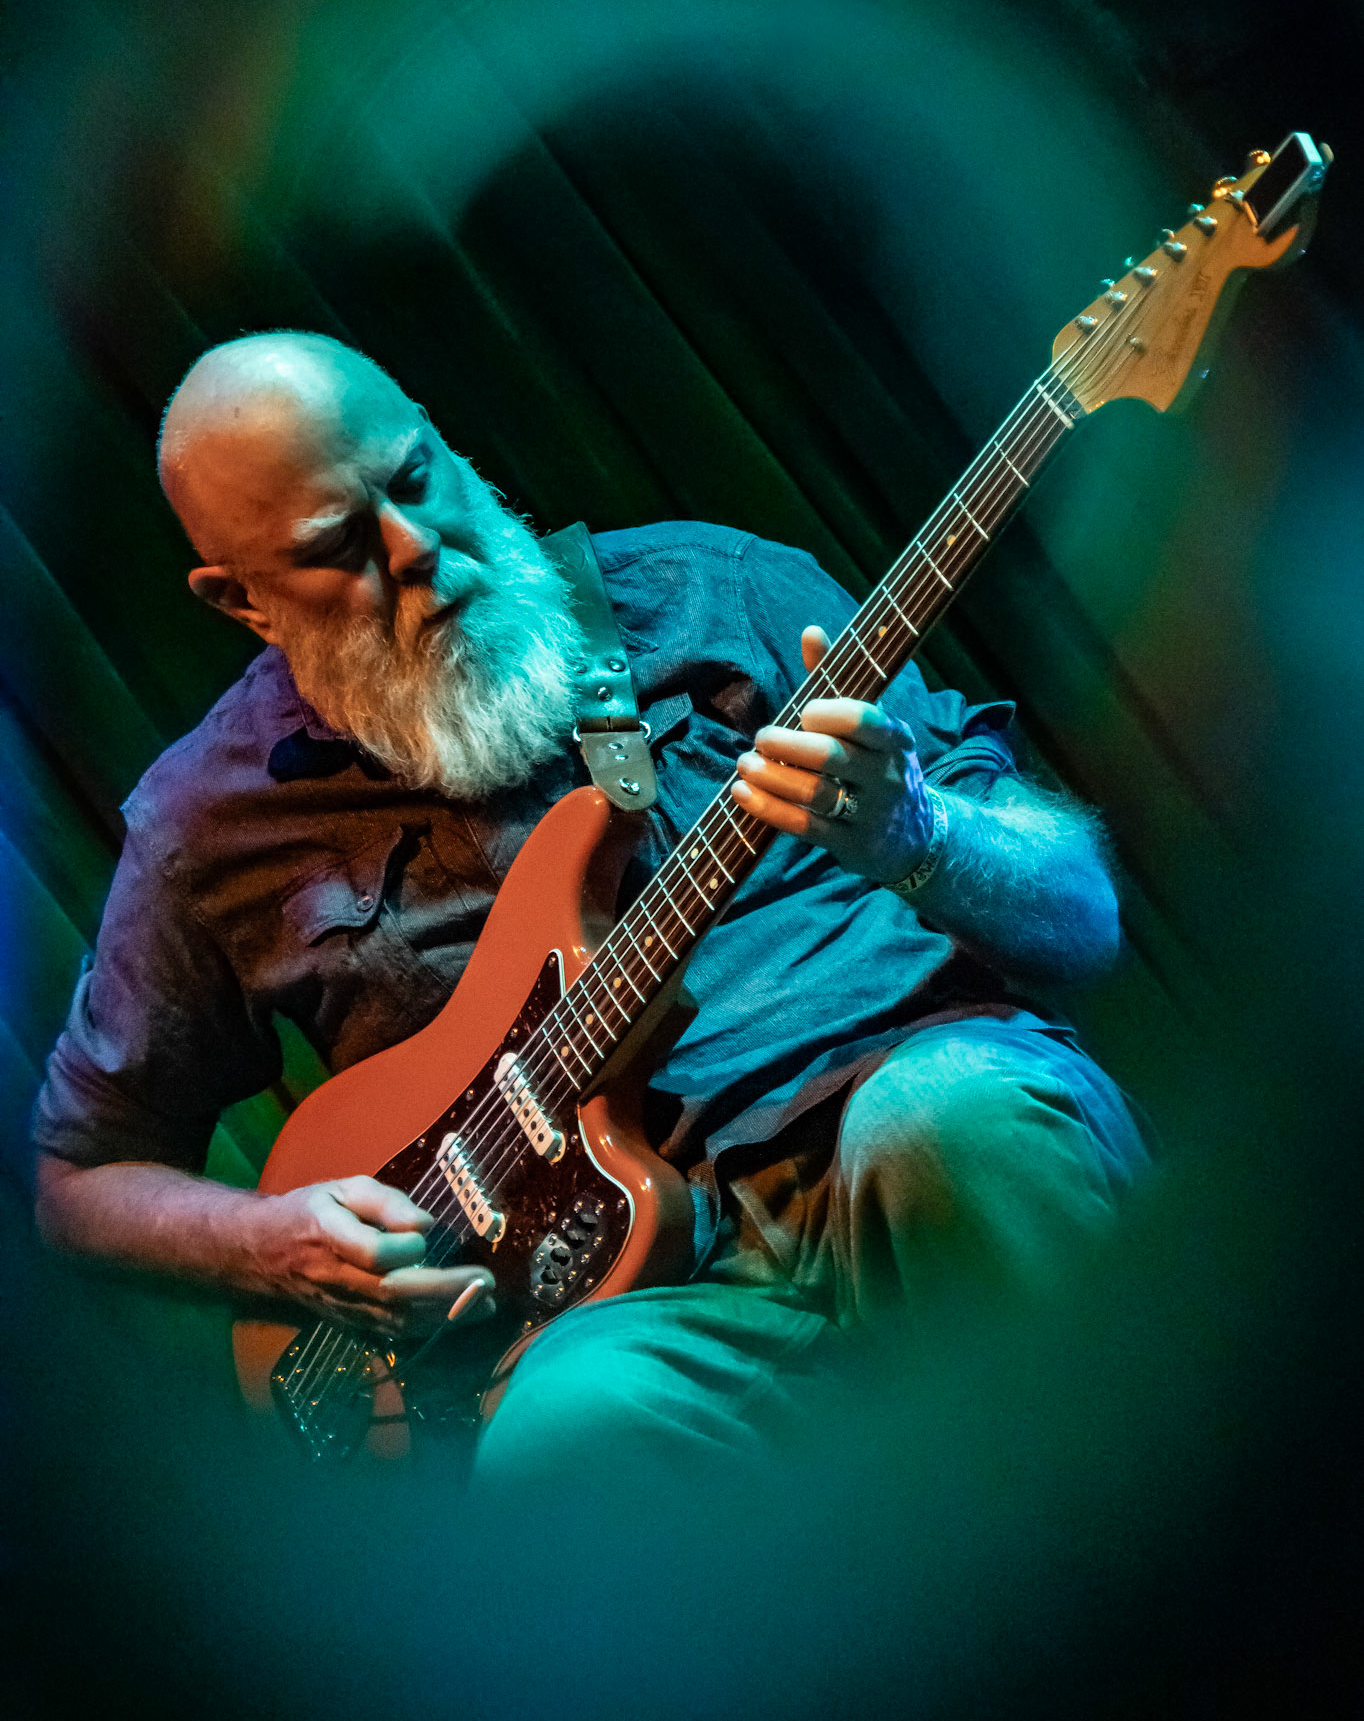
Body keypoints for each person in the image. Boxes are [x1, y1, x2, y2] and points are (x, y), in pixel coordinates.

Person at [31, 331, 1147, 1480]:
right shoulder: (210, 821)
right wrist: (267, 1243)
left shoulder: (714, 590)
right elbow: (75, 1177)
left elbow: (1082, 917)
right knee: (561, 1426)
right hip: (639, 1294)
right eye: (336, 545)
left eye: (414, 476)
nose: (414, 546)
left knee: (949, 1119)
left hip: (907, 1123)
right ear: (242, 601)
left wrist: (922, 833)